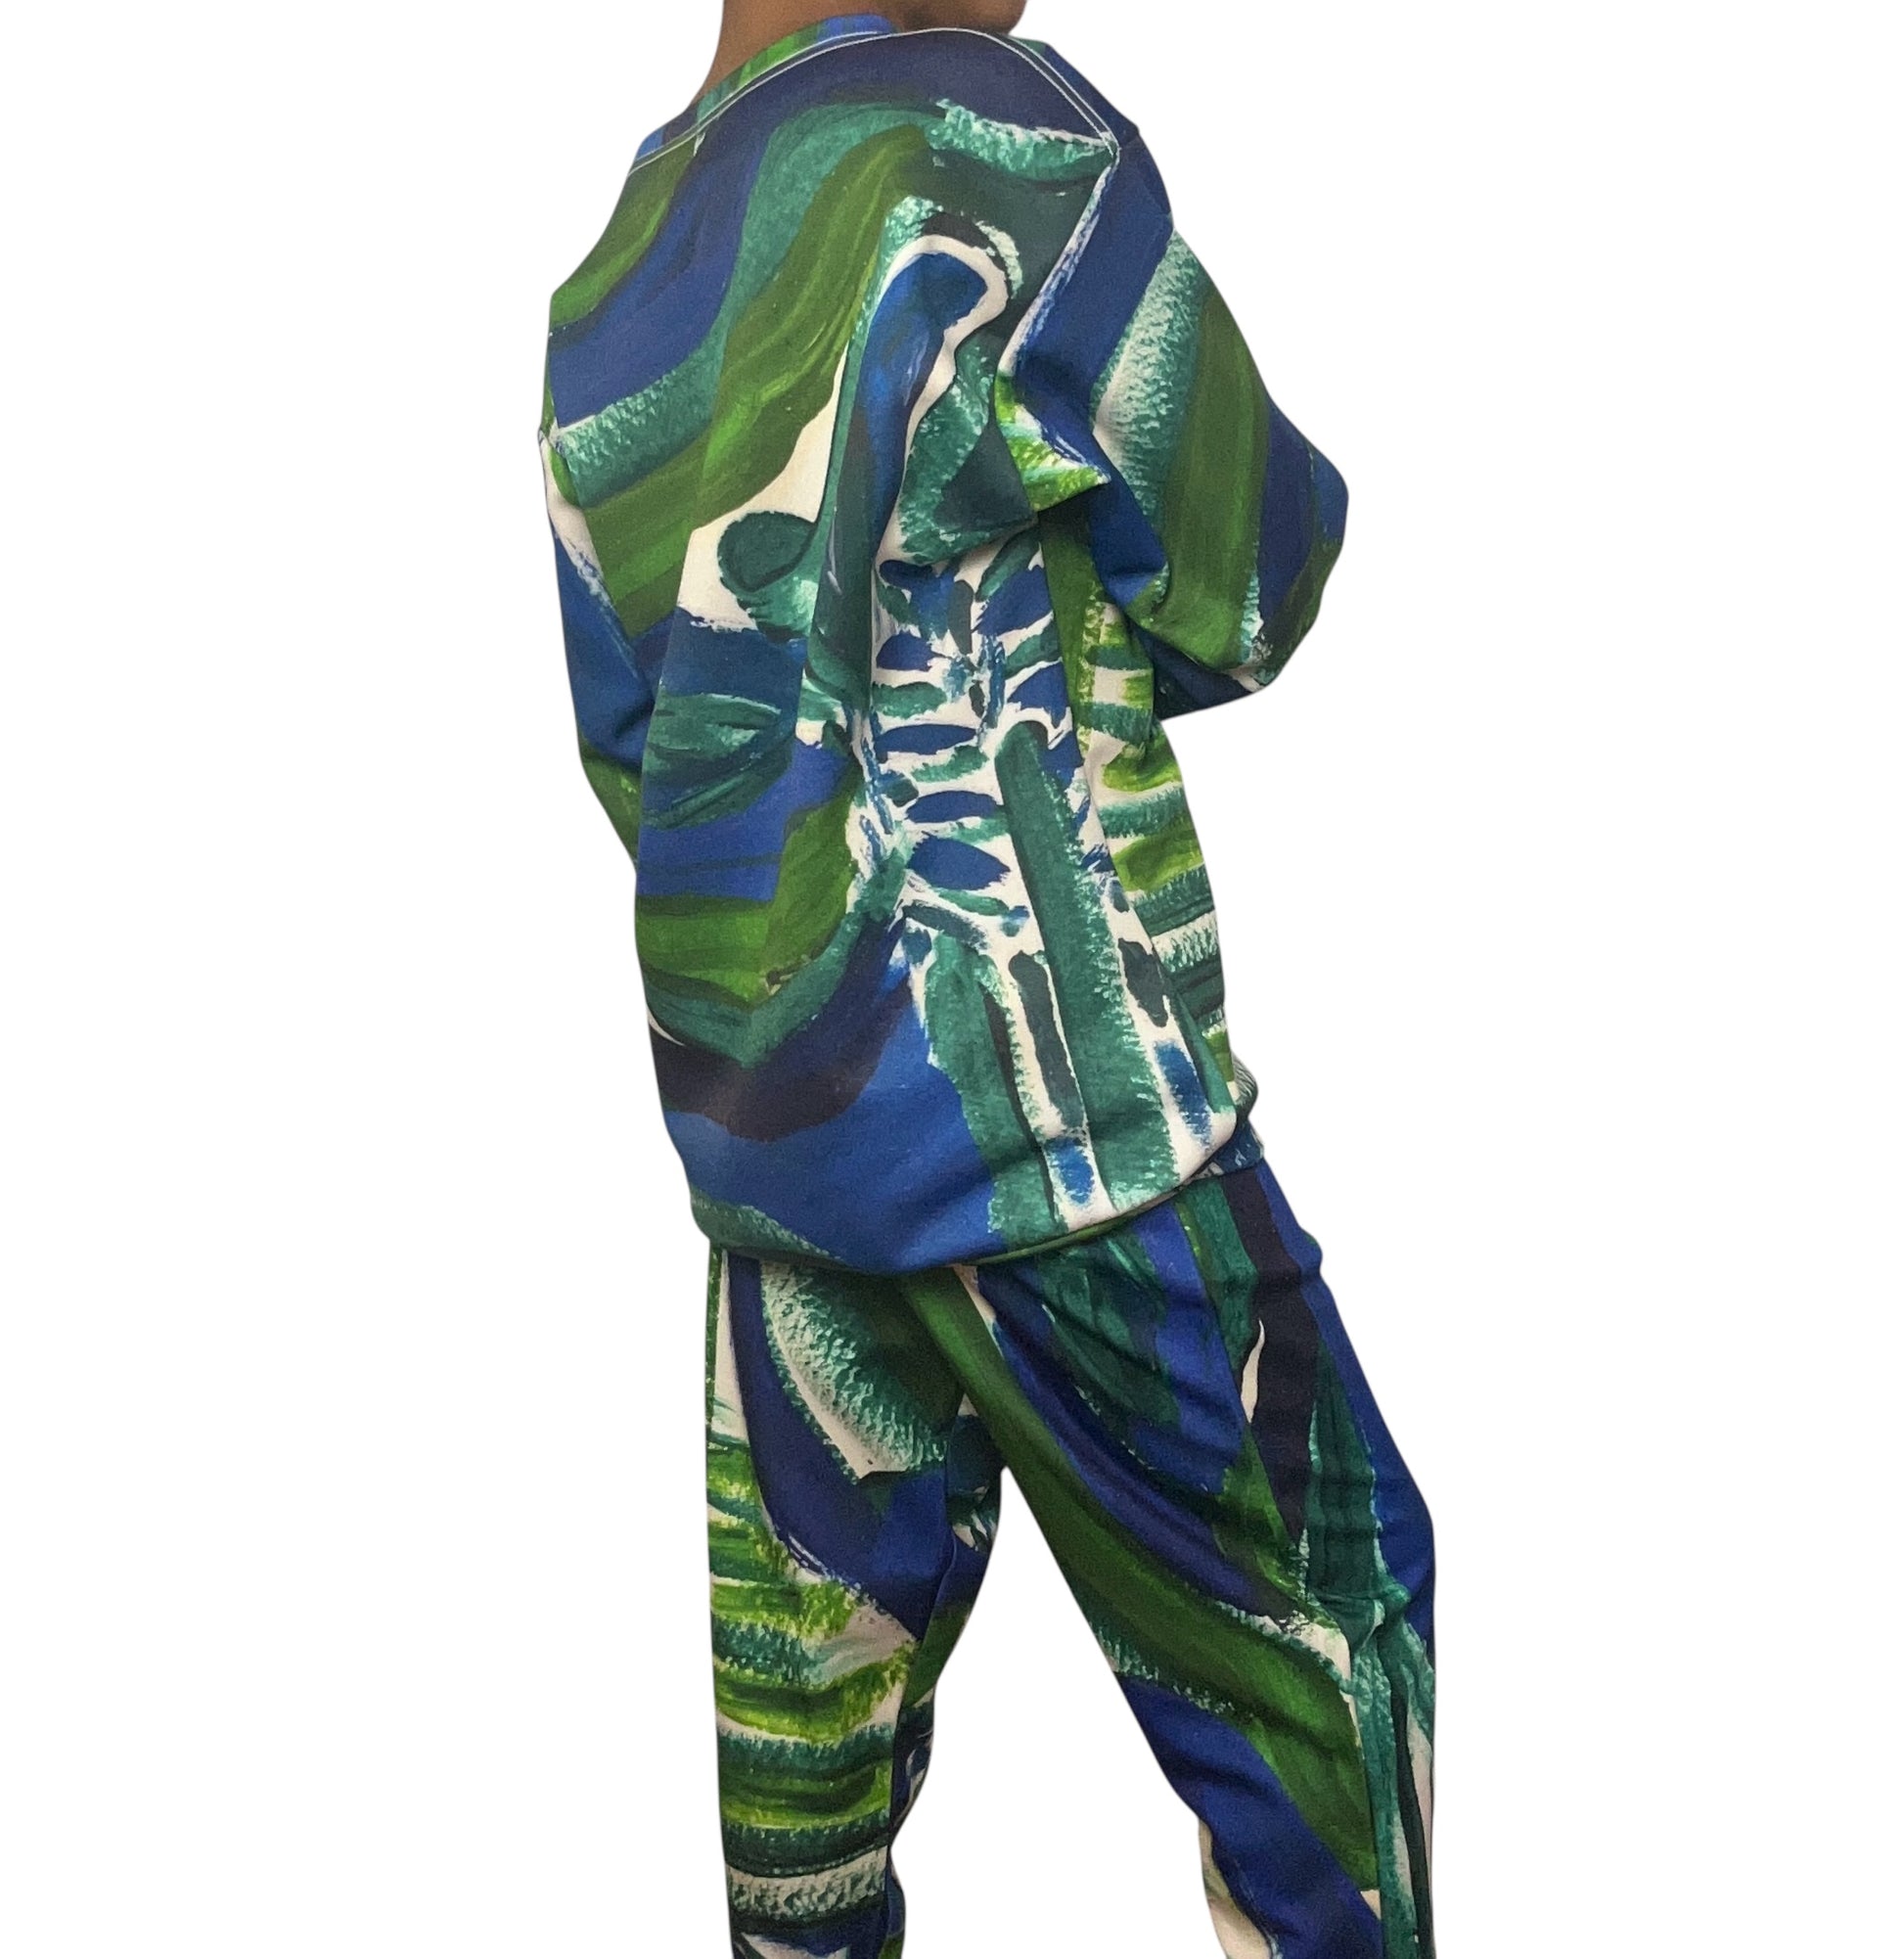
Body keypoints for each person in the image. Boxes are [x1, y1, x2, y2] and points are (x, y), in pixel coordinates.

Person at [538, 7, 1436, 1954]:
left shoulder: (613, 267)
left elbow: (640, 745)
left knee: (809, 1788)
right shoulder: (995, 140)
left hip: (777, 1147)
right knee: (1325, 1658)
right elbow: (1252, 571)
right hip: (1065, 1123)